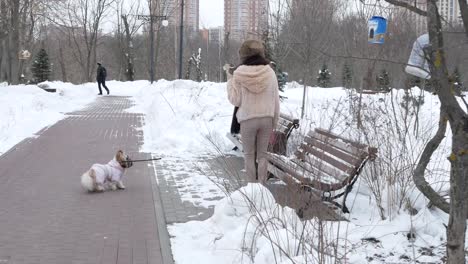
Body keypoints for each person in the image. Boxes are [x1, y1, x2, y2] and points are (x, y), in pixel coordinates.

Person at [226, 39, 280, 184]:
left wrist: (230, 80)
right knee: (263, 155)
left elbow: (235, 100)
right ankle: (262, 189)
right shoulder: (270, 73)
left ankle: (251, 189)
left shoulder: (239, 74)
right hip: (266, 119)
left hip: (248, 119)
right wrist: (274, 121)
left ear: (244, 56)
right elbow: (276, 99)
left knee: (249, 155)